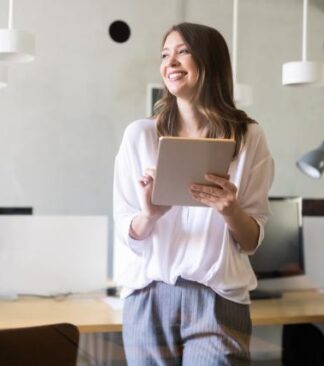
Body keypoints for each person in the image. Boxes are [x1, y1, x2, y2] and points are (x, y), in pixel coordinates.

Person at [113, 23, 274, 366]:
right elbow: (126, 230)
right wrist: (149, 216)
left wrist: (231, 211)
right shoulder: (139, 136)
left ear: (210, 61)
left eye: (182, 51)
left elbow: (251, 240)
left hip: (218, 298)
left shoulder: (249, 137)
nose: (170, 62)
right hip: (148, 296)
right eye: (164, 54)